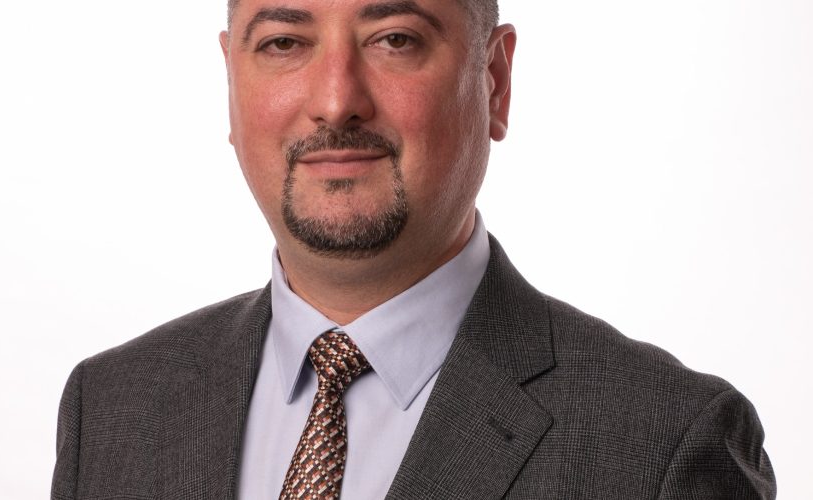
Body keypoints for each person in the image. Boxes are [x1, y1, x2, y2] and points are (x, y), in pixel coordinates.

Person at [51, 0, 776, 498]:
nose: (336, 100)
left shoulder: (662, 445)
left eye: (394, 38)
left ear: (494, 81)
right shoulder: (111, 408)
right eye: (284, 43)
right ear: (231, 82)